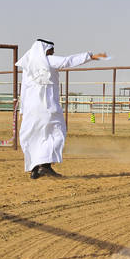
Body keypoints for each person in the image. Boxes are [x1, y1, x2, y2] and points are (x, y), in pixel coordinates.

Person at [16, 39, 106, 179]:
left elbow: (24, 89)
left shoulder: (27, 64)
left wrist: (22, 109)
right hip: (47, 106)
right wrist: (90, 56)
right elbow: (67, 61)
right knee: (56, 133)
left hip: (30, 108)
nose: (53, 52)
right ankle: (45, 166)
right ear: (45, 49)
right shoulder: (47, 60)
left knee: (34, 136)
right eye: (52, 50)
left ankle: (35, 169)